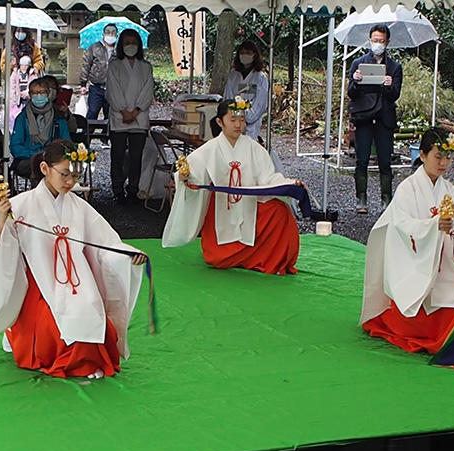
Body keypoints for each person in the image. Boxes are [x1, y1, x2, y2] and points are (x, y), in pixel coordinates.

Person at [0, 139, 147, 380]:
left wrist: (126, 254)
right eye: (65, 174)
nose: (70, 182)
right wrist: (2, 218)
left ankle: (87, 360)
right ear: (45, 169)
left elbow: (104, 244)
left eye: (75, 176)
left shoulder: (80, 207)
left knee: (96, 320)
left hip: (77, 280)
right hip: (38, 281)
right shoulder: (21, 204)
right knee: (52, 329)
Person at [360, 129, 454, 356]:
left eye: (448, 157)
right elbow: (402, 225)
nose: (443, 163)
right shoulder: (408, 188)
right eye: (438, 156)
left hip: (443, 259)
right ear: (423, 155)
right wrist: (433, 226)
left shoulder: (449, 190)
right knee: (431, 328)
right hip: (415, 259)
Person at [162, 99, 303, 275]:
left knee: (280, 211)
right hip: (221, 206)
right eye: (233, 120)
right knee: (218, 259)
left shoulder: (254, 148)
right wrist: (184, 176)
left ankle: (264, 258)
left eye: (242, 120)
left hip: (250, 203)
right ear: (220, 122)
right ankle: (231, 255)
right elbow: (192, 173)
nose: (238, 125)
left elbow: (269, 177)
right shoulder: (210, 149)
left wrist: (288, 184)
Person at [347, 24, 402, 214]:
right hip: (363, 116)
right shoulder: (358, 63)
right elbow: (351, 93)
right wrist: (355, 80)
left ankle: (387, 200)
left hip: (384, 117)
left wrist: (388, 84)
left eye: (381, 41)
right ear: (369, 40)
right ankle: (361, 199)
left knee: (384, 161)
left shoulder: (395, 66)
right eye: (375, 40)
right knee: (361, 159)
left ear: (387, 42)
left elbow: (395, 94)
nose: (378, 44)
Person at [106, 29, 153, 203]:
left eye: (133, 42)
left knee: (136, 157)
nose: (130, 46)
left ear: (139, 45)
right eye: (127, 43)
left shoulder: (146, 67)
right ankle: (117, 189)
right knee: (117, 155)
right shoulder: (115, 65)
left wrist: (136, 111)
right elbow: (112, 90)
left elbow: (148, 90)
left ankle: (133, 189)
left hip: (139, 118)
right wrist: (123, 110)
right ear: (121, 45)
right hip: (119, 117)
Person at [10, 79, 70, 180]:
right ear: (30, 94)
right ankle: (40, 194)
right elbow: (15, 145)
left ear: (48, 94)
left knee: (56, 168)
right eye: (35, 93)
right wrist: (35, 155)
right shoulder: (22, 118)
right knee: (38, 166)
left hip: (53, 159)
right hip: (28, 159)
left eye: (42, 92)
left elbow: (67, 143)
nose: (38, 96)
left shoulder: (58, 117)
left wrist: (54, 155)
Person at [223, 41, 269, 141]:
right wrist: (234, 117)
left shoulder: (260, 78)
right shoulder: (233, 75)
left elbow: (260, 104)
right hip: (232, 123)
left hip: (251, 128)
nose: (244, 55)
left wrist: (245, 117)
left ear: (255, 55)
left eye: (248, 53)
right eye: (242, 53)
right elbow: (228, 98)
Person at [80, 23, 117, 121]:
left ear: (116, 35)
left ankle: (106, 135)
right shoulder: (94, 47)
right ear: (103, 34)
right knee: (92, 112)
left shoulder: (119, 50)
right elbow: (86, 64)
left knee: (110, 115)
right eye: (108, 32)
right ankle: (87, 134)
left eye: (113, 32)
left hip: (113, 89)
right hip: (96, 87)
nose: (110, 34)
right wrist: (83, 83)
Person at [8, 56, 38, 130]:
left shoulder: (33, 74)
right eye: (22, 65)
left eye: (25, 65)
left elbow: (34, 86)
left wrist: (27, 93)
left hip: (29, 100)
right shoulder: (15, 74)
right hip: (18, 100)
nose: (23, 67)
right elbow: (12, 88)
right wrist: (13, 101)